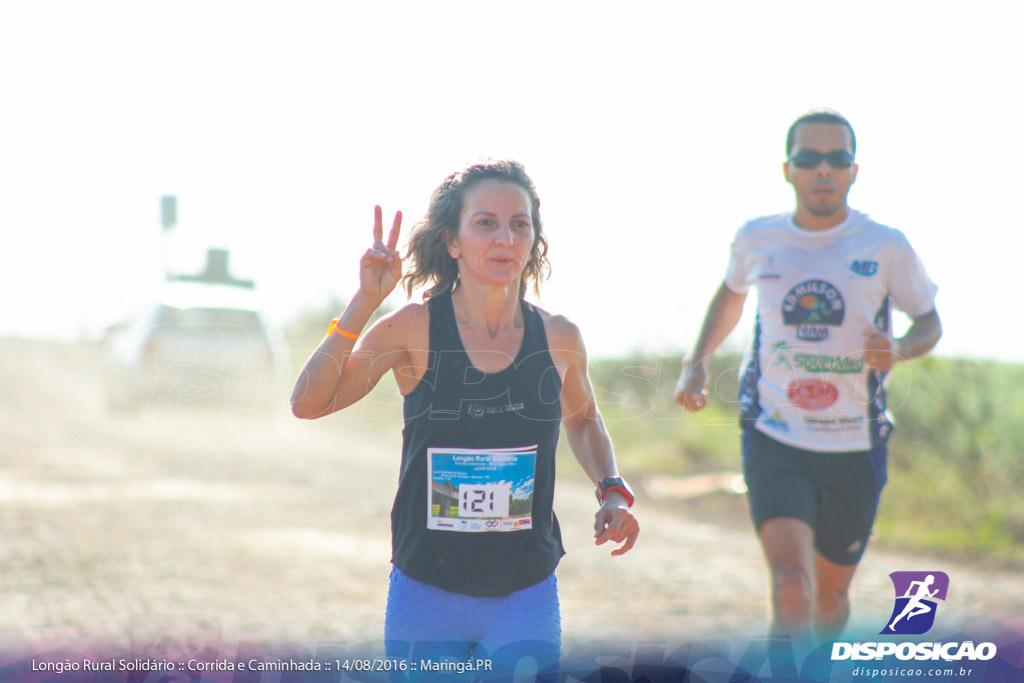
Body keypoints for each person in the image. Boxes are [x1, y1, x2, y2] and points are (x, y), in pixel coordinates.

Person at [291, 159, 639, 679]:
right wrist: (366, 301)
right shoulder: (412, 329)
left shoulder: (560, 338)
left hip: (525, 592)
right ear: (452, 242)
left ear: (533, 240)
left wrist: (611, 488)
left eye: (519, 224)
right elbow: (309, 403)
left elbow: (585, 420)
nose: (505, 238)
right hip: (426, 591)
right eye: (485, 223)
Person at [674, 109, 942, 650]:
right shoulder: (757, 238)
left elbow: (929, 320)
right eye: (809, 159)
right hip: (776, 433)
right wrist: (696, 360)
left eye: (836, 160)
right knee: (792, 589)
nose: (823, 170)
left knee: (828, 599)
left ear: (854, 171)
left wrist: (902, 349)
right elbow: (730, 295)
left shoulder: (885, 244)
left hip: (855, 442)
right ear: (787, 170)